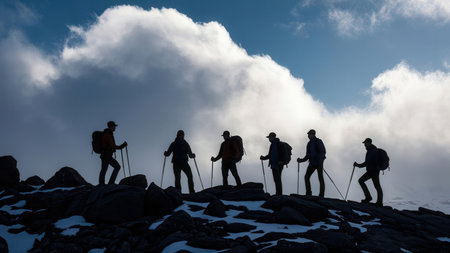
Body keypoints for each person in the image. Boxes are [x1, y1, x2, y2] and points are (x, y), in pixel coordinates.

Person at [353, 138, 383, 206]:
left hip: (374, 171)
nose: (364, 144)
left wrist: (358, 165)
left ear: (369, 143)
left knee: (376, 186)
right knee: (362, 181)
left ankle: (378, 201)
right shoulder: (371, 150)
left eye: (365, 143)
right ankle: (370, 198)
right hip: (372, 170)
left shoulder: (372, 150)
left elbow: (367, 163)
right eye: (364, 143)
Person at [297, 129, 326, 197]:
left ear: (313, 134)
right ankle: (309, 193)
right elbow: (308, 155)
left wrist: (319, 159)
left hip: (318, 163)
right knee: (307, 177)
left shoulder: (318, 141)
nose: (308, 136)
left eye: (309, 134)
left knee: (319, 177)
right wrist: (301, 160)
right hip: (313, 162)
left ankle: (321, 194)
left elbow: (323, 152)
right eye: (308, 134)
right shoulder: (309, 143)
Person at [99, 121, 127, 185]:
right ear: (111, 126)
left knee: (105, 169)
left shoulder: (108, 134)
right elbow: (113, 146)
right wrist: (122, 146)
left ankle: (103, 183)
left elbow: (111, 146)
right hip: (106, 155)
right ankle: (107, 183)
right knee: (114, 167)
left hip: (105, 155)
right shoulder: (108, 135)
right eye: (114, 126)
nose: (115, 128)